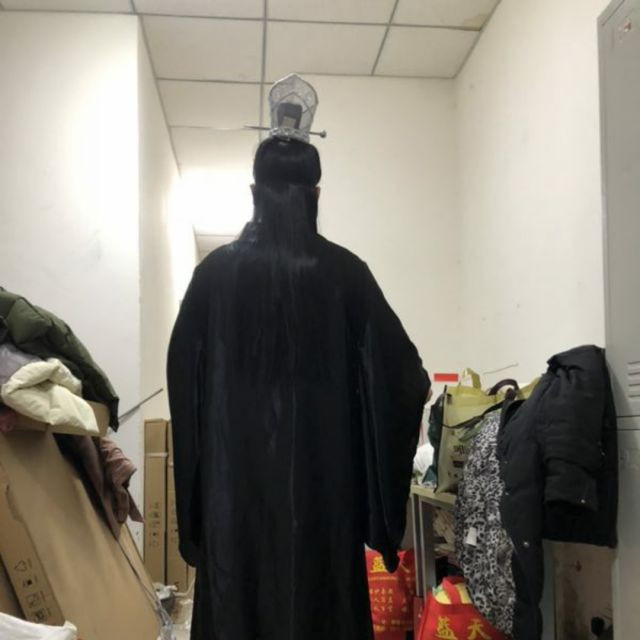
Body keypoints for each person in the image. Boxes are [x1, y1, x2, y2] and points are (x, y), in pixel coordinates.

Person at [167, 75, 429, 640]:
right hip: (323, 495)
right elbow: (404, 378)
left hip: (233, 498)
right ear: (316, 196)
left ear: (254, 192)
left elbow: (184, 384)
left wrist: (197, 509)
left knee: (237, 606)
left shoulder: (214, 276)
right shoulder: (345, 274)